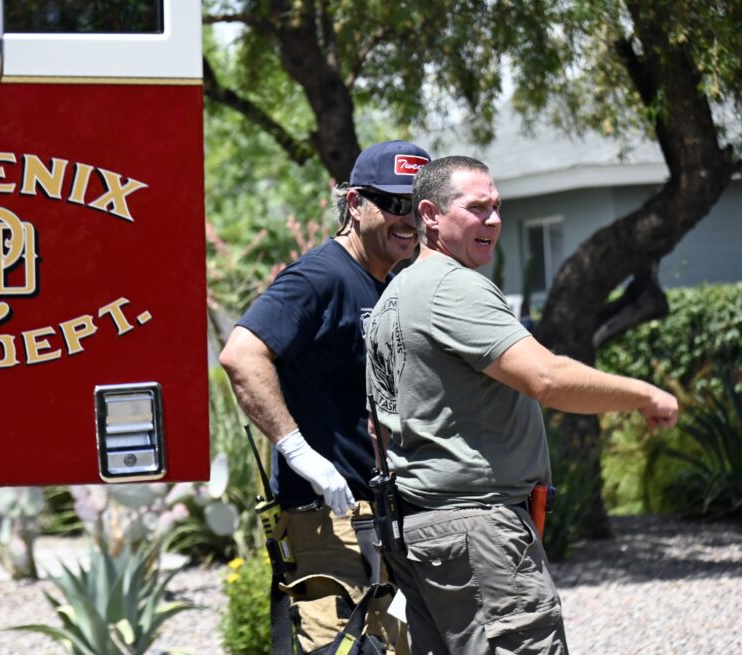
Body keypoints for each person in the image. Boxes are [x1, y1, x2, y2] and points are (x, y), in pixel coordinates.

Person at [364, 155, 679, 655]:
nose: (492, 220)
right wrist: (646, 394)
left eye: (496, 207)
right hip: (476, 533)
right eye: (476, 208)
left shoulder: (391, 300)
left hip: (419, 534)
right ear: (429, 215)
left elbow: (377, 427)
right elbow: (547, 378)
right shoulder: (454, 287)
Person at [220, 139, 431, 654]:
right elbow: (242, 355)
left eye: (419, 207)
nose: (408, 220)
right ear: (355, 203)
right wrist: (299, 453)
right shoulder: (320, 276)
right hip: (328, 521)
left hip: (375, 518)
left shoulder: (383, 283)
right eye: (394, 204)